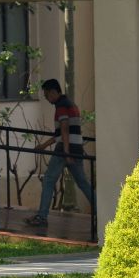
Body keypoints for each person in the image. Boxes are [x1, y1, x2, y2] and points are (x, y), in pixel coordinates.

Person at [24, 79, 95, 228]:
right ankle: (102, 212)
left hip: (64, 150)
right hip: (77, 149)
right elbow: (61, 133)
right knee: (83, 183)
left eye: (46, 95)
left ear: (53, 92)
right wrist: (44, 145)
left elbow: (64, 130)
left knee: (49, 180)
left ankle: (42, 217)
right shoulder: (71, 104)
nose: (47, 98)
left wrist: (66, 153)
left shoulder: (61, 106)